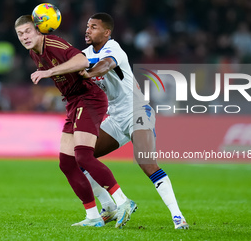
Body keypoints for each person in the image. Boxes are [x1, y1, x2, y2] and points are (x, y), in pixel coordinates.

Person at [14, 14, 135, 228]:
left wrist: (49, 71)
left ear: (38, 30)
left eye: (28, 32)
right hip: (73, 102)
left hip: (89, 98)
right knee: (67, 163)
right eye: (20, 34)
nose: (24, 37)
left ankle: (123, 201)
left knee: (84, 156)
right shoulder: (34, 53)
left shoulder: (54, 43)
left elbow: (82, 60)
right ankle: (93, 216)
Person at [80, 13, 189, 229]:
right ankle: (109, 207)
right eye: (87, 26)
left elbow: (104, 66)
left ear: (106, 32)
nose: (87, 30)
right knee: (81, 157)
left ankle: (178, 217)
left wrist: (87, 74)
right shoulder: (84, 54)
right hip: (115, 117)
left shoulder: (114, 49)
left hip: (137, 111)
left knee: (146, 162)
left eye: (93, 27)